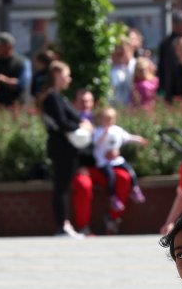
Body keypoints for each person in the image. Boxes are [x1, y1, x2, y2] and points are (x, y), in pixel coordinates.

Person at [41, 61, 91, 237]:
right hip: (61, 148)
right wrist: (80, 125)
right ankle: (63, 225)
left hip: (68, 148)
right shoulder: (51, 98)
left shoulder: (59, 97)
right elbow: (62, 123)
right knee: (61, 187)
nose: (68, 79)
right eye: (66, 75)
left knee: (64, 187)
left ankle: (65, 224)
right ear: (56, 75)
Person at [91, 105, 148, 228]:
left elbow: (128, 137)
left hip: (116, 161)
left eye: (111, 119)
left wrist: (139, 140)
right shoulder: (98, 131)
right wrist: (104, 134)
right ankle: (113, 197)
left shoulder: (117, 130)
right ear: (101, 119)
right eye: (106, 119)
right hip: (103, 162)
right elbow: (95, 143)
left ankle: (134, 189)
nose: (109, 121)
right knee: (110, 176)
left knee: (129, 171)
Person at [0, 33, 27, 107]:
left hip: (15, 107)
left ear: (8, 46)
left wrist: (0, 78)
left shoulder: (22, 62)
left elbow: (21, 83)